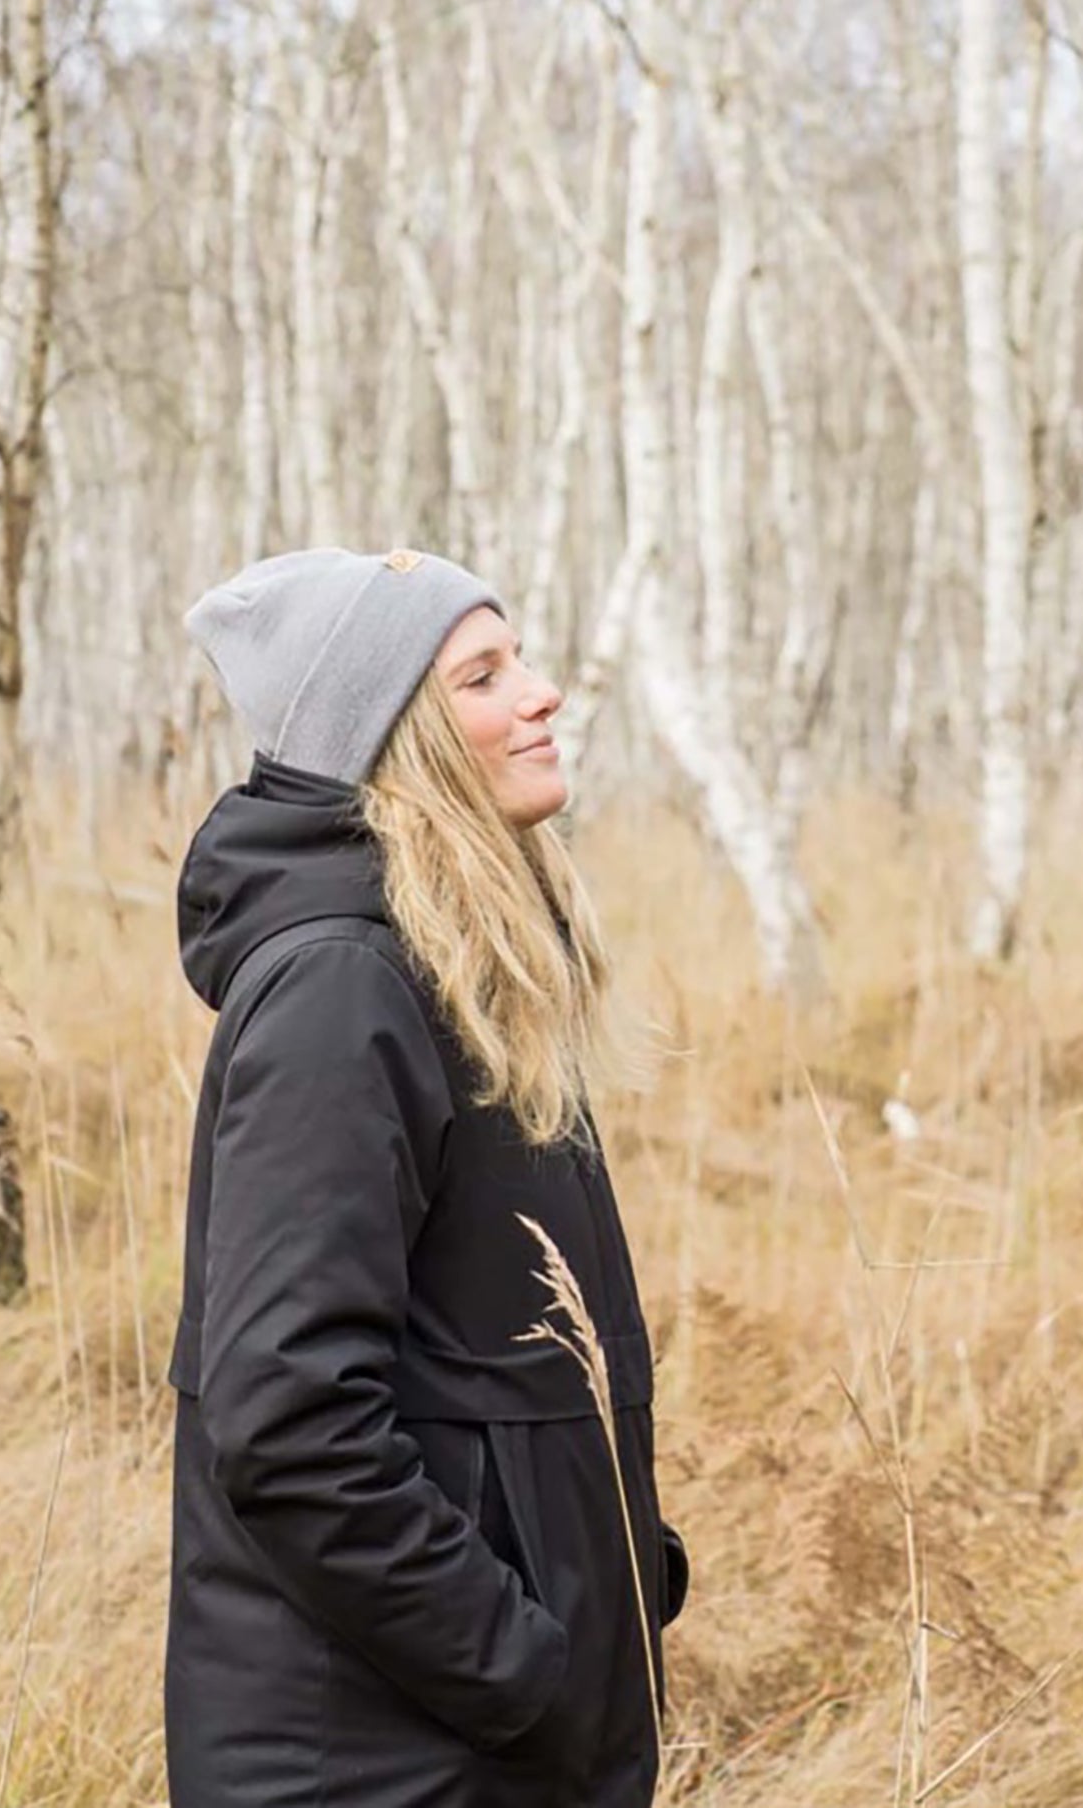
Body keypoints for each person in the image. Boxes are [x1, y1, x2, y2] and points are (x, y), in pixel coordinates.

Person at [163, 545, 688, 1808]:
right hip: (377, 1757)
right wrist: (523, 1663)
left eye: (524, 658)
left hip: (455, 1736)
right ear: (395, 738)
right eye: (484, 676)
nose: (543, 693)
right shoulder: (345, 987)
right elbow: (290, 1423)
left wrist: (625, 1578)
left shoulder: (457, 968)